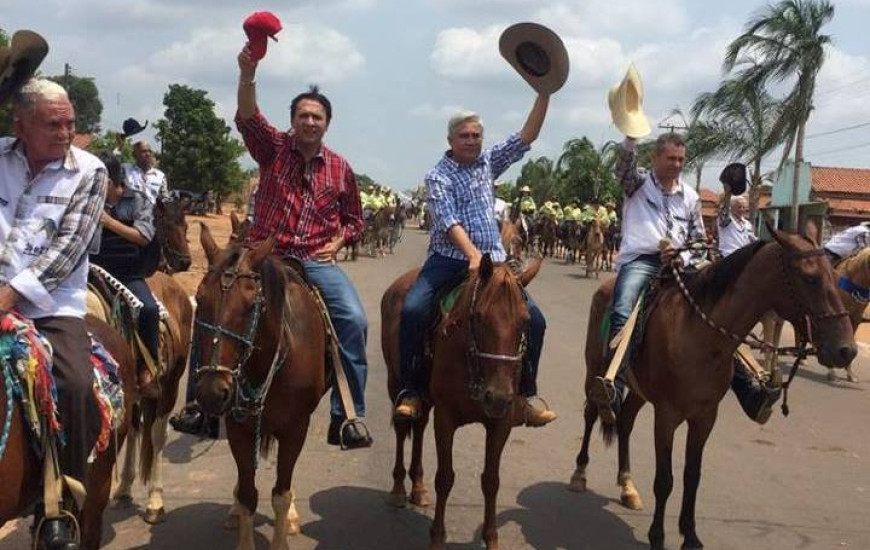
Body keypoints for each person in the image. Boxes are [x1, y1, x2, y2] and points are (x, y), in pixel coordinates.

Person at [173, 41, 372, 449]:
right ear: (293, 120)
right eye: (303, 115)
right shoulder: (273, 149)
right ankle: (198, 405)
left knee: (354, 320)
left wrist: (337, 242)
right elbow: (248, 116)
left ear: (327, 123)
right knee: (213, 306)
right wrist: (247, 74)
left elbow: (355, 221)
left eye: (317, 117)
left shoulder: (341, 168)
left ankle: (348, 416)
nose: (309, 123)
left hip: (315, 260)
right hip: (264, 256)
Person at [588, 133, 779, 424]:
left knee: (720, 315)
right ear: (655, 158)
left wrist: (683, 257)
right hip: (641, 260)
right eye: (671, 159)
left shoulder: (690, 197)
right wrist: (630, 136)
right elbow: (623, 167)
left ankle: (749, 391)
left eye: (681, 159)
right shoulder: (637, 184)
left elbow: (699, 239)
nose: (677, 164)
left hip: (682, 264)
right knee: (623, 305)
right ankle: (614, 385)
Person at [393, 95, 557, 427]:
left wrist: (545, 92)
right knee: (412, 311)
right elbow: (447, 221)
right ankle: (411, 389)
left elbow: (527, 135)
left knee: (535, 321)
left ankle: (525, 396)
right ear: (450, 140)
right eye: (464, 136)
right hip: (449, 259)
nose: (471, 141)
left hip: (494, 262)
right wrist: (470, 254)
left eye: (476, 136)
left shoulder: (489, 162)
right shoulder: (438, 175)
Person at [0, 78, 108, 549]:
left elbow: (69, 250)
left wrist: (8, 296)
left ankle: (62, 500)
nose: (66, 132)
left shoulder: (90, 171)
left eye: (70, 123)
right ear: (20, 126)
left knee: (76, 384)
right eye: (53, 124)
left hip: (51, 305)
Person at [89, 154, 161, 399]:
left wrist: (109, 222)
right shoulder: (88, 197)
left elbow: (144, 235)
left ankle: (146, 369)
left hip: (127, 273)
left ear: (111, 182)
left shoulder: (138, 200)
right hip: (91, 271)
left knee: (149, 310)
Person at [124, 141, 169, 206]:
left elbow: (165, 198)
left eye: (149, 151)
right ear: (134, 155)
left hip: (150, 212)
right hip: (128, 211)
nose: (148, 154)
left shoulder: (160, 176)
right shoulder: (126, 170)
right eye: (143, 151)